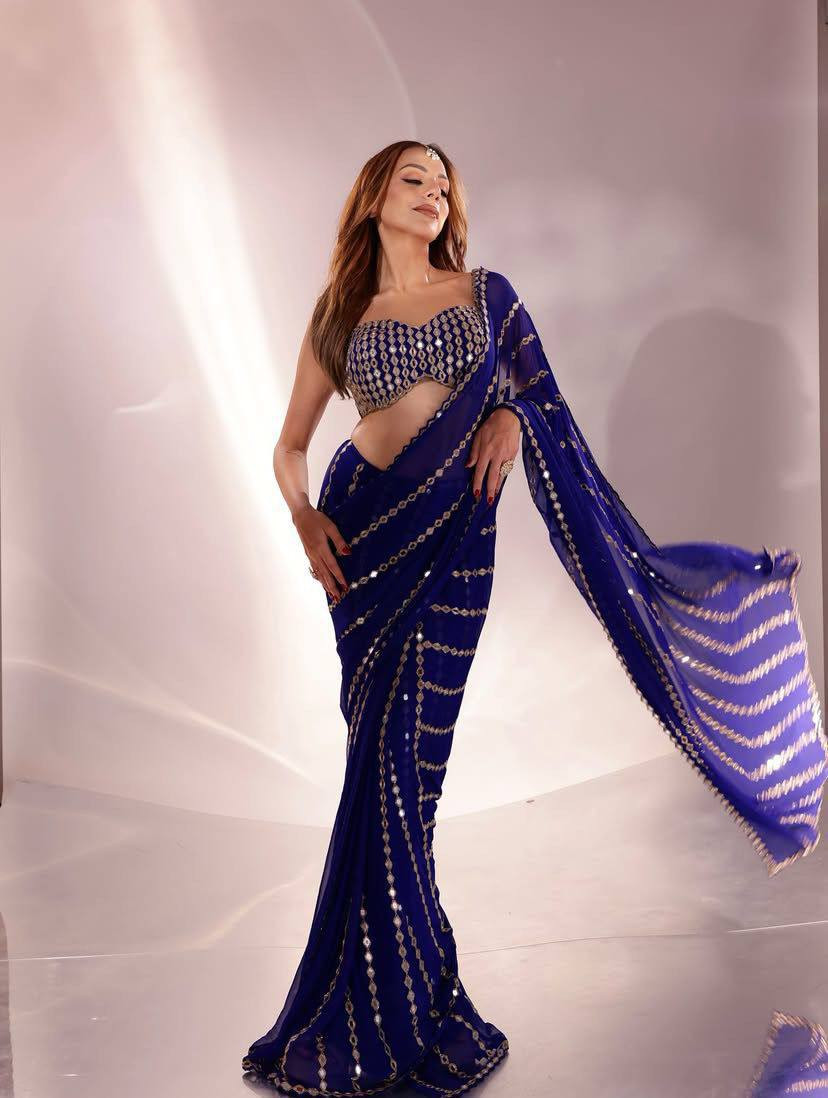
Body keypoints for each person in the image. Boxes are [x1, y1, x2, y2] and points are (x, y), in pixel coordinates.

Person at [242, 140, 827, 1096]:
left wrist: (512, 417)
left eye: (443, 184)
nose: (432, 194)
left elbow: (541, 400)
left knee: (406, 773)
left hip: (454, 540)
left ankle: (396, 1009)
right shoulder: (339, 315)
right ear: (374, 197)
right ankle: (393, 1003)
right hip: (362, 547)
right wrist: (304, 517)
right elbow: (290, 444)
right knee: (377, 770)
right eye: (413, 179)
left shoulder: (487, 296)